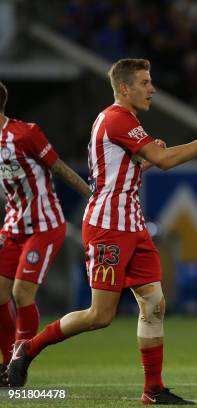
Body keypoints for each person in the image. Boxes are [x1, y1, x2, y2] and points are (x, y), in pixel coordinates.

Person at [7, 58, 197, 405]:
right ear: (125, 88)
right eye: (145, 82)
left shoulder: (121, 121)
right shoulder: (117, 118)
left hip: (132, 224)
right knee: (100, 316)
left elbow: (135, 165)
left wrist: (145, 158)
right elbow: (164, 160)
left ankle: (153, 390)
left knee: (154, 302)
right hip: (108, 228)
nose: (152, 89)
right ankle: (29, 347)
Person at [0, 81, 91, 386]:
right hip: (13, 227)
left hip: (44, 225)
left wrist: (93, 197)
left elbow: (59, 168)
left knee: (21, 292)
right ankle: (6, 364)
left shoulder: (25, 134)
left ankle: (20, 358)